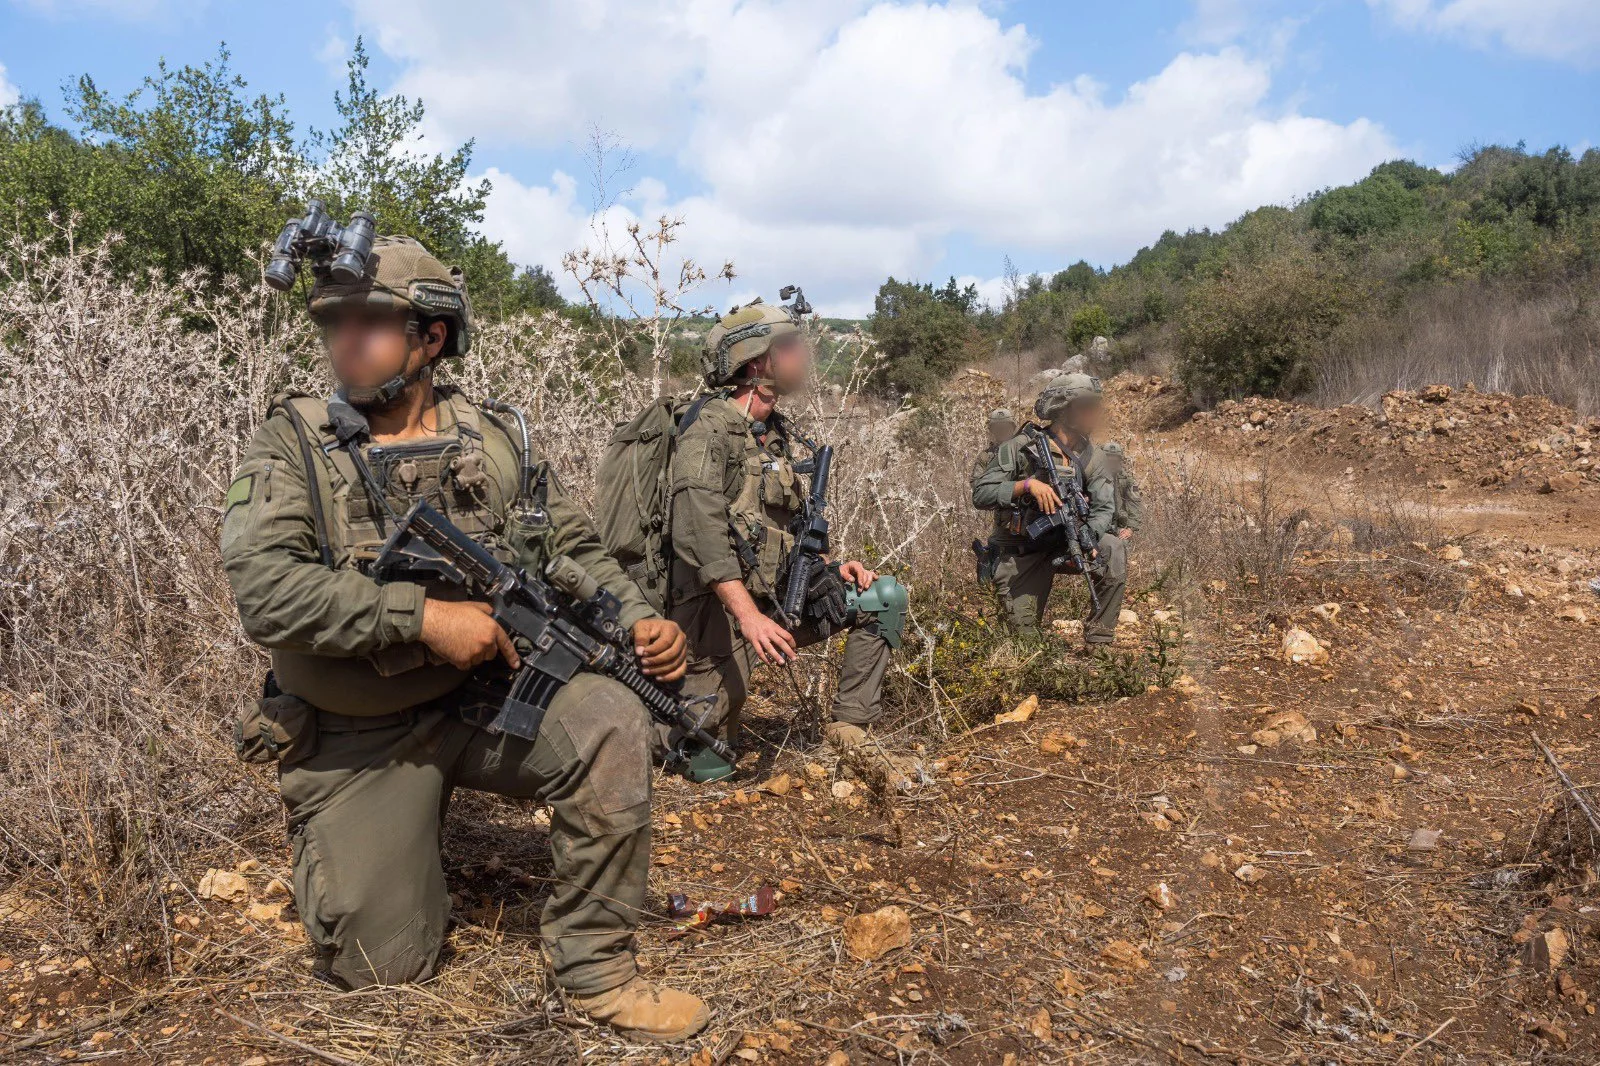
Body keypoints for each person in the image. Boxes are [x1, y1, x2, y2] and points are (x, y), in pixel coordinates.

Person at [221, 231, 708, 1043]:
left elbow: (572, 547)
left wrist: (638, 616)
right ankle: (388, 831)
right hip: (359, 733)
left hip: (482, 701)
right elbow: (266, 594)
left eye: (370, 321)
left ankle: (595, 970)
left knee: (613, 722)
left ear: (432, 337)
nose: (346, 339)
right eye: (334, 321)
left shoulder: (495, 437)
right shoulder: (294, 443)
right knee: (383, 967)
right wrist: (421, 619)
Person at [665, 297, 893, 752]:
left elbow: (787, 524)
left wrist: (830, 565)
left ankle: (850, 733)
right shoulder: (709, 431)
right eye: (789, 346)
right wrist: (749, 618)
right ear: (755, 363)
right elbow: (700, 534)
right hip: (716, 614)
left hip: (772, 599)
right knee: (699, 755)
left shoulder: (774, 434)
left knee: (882, 599)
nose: (802, 355)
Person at [971, 373, 1127, 645]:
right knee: (1022, 645)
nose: (1095, 413)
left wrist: (1087, 536)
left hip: (1066, 543)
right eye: (1087, 406)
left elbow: (1104, 508)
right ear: (1064, 410)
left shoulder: (1095, 457)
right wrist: (1027, 485)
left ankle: (1099, 643)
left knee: (1112, 547)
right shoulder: (1020, 447)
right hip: (1022, 553)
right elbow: (981, 494)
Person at [1099, 441, 1144, 540]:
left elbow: (1135, 503)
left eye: (1115, 458)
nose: (1112, 460)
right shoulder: (1094, 476)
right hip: (1099, 525)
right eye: (1108, 457)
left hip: (1119, 526)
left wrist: (1130, 528)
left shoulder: (1128, 479)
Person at [973, 408, 1018, 478]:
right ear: (992, 430)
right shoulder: (985, 457)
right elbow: (976, 483)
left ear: (1013, 428)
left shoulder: (1022, 451)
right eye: (998, 428)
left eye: (1005, 427)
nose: (1002, 431)